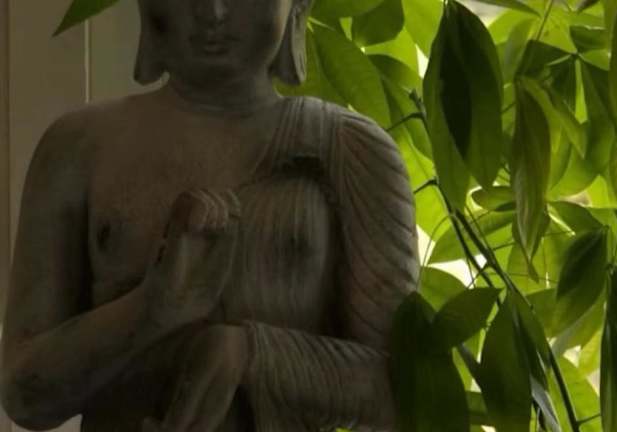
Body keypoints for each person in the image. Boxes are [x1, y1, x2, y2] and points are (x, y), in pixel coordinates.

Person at [0, 0, 419, 430]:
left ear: (297, 5)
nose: (213, 12)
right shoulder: (77, 148)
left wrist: (251, 355)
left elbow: (403, 390)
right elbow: (23, 394)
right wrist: (151, 309)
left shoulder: (348, 149)